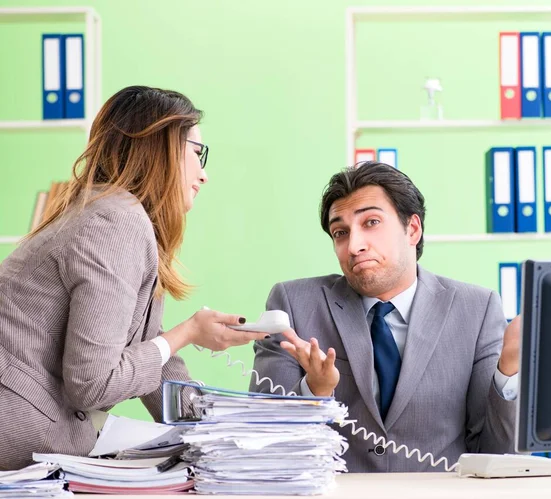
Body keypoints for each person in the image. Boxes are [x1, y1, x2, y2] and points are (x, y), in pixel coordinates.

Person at [0, 85, 268, 470]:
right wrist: (187, 333)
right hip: (17, 434)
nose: (204, 175)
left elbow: (152, 355)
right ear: (162, 147)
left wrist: (221, 432)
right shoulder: (116, 221)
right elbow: (92, 385)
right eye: (197, 153)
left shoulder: (114, 214)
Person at [250, 162, 520, 472]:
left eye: (372, 222)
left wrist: (508, 373)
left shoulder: (477, 309)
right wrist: (315, 392)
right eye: (340, 232)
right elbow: (264, 444)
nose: (354, 246)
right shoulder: (293, 303)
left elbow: (498, 456)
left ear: (412, 230)